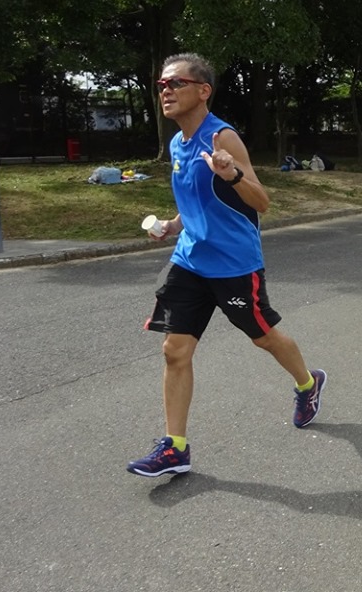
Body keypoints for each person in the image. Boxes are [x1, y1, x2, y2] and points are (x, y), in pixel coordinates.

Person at [127, 53, 326, 477]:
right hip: (190, 261)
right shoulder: (177, 143)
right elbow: (195, 202)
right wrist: (171, 225)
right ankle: (175, 448)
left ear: (203, 91)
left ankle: (308, 383)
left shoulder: (223, 138)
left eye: (175, 83)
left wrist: (232, 173)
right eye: (162, 85)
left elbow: (262, 202)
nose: (165, 91)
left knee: (264, 338)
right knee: (174, 351)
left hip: (234, 264)